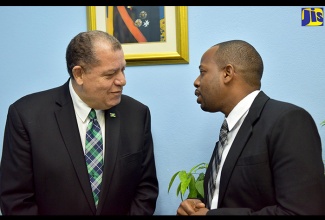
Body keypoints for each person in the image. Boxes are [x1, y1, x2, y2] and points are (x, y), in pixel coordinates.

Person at [0, 30, 159, 215]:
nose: (122, 81)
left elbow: (146, 190)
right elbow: (16, 200)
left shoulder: (137, 114)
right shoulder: (26, 116)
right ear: (79, 74)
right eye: (110, 75)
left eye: (123, 69)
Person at [177, 40, 325, 215]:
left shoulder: (288, 121)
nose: (196, 82)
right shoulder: (229, 130)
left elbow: (302, 211)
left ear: (227, 73)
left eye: (203, 72)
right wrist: (198, 206)